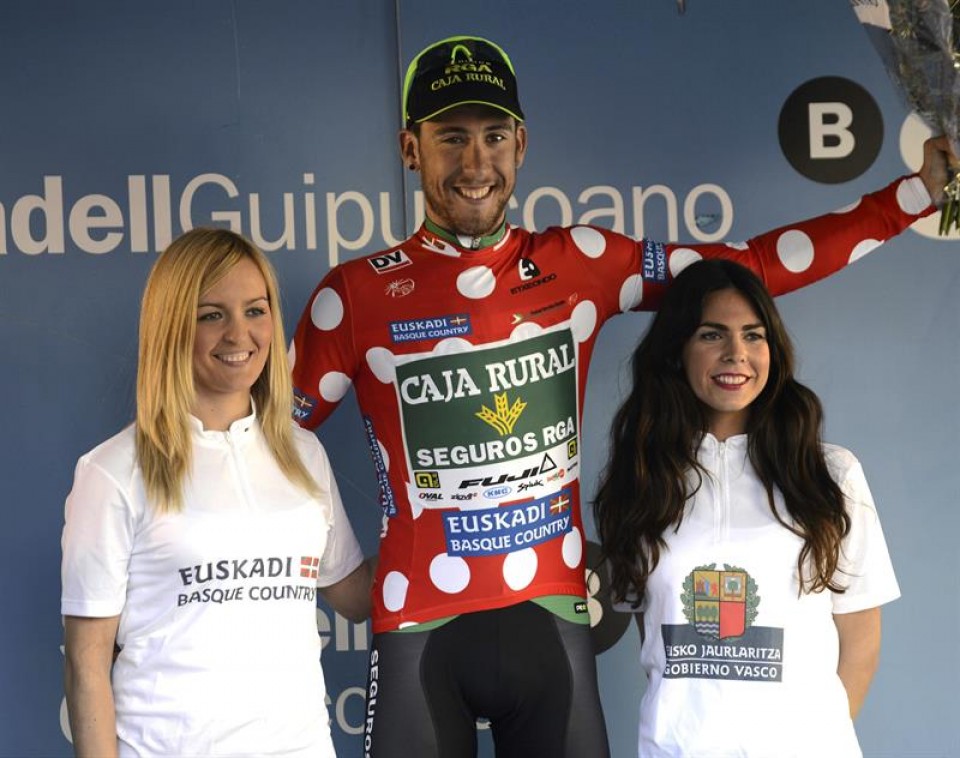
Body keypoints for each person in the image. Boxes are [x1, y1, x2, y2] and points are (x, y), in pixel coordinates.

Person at [289, 35, 954, 757]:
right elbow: (262, 436)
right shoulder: (353, 296)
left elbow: (753, 268)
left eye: (493, 137)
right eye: (451, 138)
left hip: (551, 623)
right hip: (415, 622)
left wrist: (910, 198)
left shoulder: (579, 263)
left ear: (521, 144)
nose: (475, 163)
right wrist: (336, 567)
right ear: (410, 148)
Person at [61, 228, 375, 757]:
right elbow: (86, 664)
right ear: (171, 326)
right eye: (212, 314)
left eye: (256, 310)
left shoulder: (302, 454)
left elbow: (357, 598)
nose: (239, 334)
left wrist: (444, 511)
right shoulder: (113, 471)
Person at [593, 259, 899, 756]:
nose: (737, 354)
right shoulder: (642, 481)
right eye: (712, 336)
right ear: (676, 352)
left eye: (753, 336)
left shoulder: (829, 474)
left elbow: (861, 644)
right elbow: (658, 636)